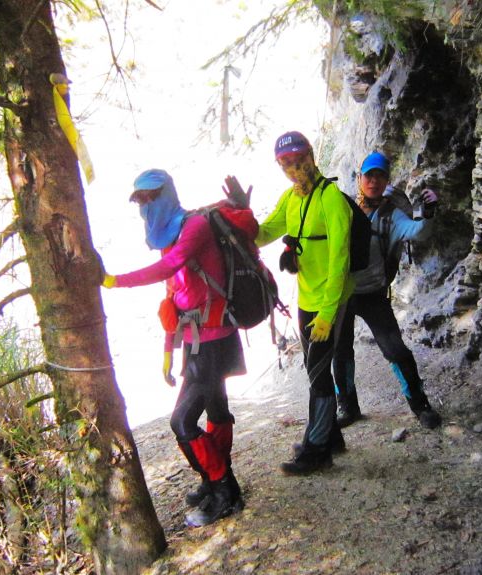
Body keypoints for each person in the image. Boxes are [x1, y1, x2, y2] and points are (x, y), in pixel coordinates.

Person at [101, 169, 245, 527]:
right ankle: (214, 480)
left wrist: (113, 281)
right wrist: (168, 354)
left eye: (152, 196)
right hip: (198, 342)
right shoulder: (169, 237)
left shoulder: (194, 227)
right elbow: (173, 302)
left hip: (215, 340)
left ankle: (224, 489)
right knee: (216, 410)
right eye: (141, 200)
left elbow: (170, 266)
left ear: (168, 193)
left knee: (182, 421)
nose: (146, 205)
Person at [255, 131, 353, 475]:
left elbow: (340, 260)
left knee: (318, 375)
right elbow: (262, 234)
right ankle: (331, 436)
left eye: (298, 159)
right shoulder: (290, 198)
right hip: (307, 298)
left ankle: (317, 451)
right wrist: (238, 216)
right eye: (285, 163)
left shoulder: (332, 199)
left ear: (311, 156)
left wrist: (328, 313)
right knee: (316, 369)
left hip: (331, 301)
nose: (294, 168)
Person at [333, 151, 443, 429]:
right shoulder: (343, 208)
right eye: (369, 175)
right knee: (340, 353)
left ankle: (420, 405)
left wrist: (428, 214)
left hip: (373, 294)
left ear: (386, 181)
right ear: (360, 178)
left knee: (396, 350)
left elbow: (417, 231)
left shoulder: (391, 216)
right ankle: (347, 407)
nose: (374, 181)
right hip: (342, 294)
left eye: (380, 176)